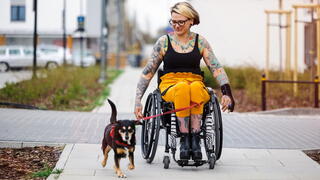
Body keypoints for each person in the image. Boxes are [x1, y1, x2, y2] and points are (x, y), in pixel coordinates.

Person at [134, 2, 235, 161]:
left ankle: (194, 140)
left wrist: (227, 93)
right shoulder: (164, 42)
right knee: (182, 87)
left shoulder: (200, 42)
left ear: (191, 21)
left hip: (195, 82)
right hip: (170, 85)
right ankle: (184, 139)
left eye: (180, 22)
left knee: (195, 87)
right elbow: (148, 72)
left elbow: (216, 68)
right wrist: (138, 100)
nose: (176, 25)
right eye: (173, 21)